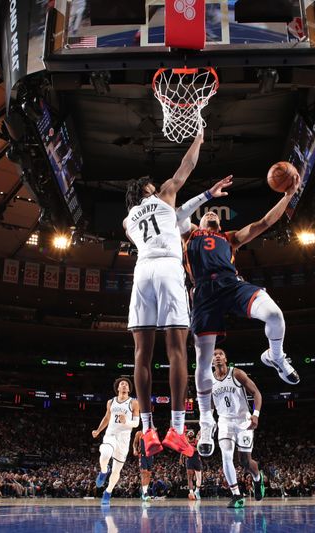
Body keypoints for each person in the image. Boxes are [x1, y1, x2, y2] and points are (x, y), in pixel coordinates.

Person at [184, 170, 302, 457]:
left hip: (232, 286)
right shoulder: (188, 234)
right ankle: (205, 420)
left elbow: (263, 222)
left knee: (274, 315)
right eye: (207, 214)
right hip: (203, 293)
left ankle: (275, 356)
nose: (212, 215)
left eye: (216, 215)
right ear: (199, 221)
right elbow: (175, 214)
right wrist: (207, 194)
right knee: (202, 362)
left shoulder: (230, 238)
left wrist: (287, 196)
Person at [123, 133, 203, 458]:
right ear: (149, 189)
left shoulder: (127, 220)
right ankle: (178, 430)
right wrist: (199, 135)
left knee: (142, 354)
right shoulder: (167, 195)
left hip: (142, 272)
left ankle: (147, 430)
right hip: (169, 269)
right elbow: (187, 165)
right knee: (177, 351)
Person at [209, 348, 265, 508]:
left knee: (245, 462)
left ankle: (257, 479)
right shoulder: (209, 380)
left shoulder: (237, 374)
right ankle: (237, 495)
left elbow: (256, 393)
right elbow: (210, 406)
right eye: (214, 355)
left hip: (243, 420)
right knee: (226, 456)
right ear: (212, 361)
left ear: (225, 358)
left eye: (220, 354)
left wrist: (256, 414)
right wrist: (206, 426)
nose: (217, 356)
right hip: (225, 421)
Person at [92, 377, 140, 506]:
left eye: (126, 384)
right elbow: (107, 417)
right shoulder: (110, 402)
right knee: (106, 453)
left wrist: (127, 421)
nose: (124, 385)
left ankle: (108, 492)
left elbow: (136, 423)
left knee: (116, 471)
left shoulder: (134, 402)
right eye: (121, 384)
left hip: (124, 439)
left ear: (129, 389)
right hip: (111, 434)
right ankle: (103, 471)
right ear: (118, 388)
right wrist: (98, 430)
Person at [132, 429, 153, 502]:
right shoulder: (139, 433)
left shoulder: (152, 432)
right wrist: (134, 450)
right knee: (144, 472)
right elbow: (134, 443)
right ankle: (145, 493)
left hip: (150, 454)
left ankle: (145, 491)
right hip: (142, 455)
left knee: (148, 474)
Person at [182, 430, 202, 500]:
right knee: (190, 477)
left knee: (199, 479)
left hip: (197, 459)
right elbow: (183, 450)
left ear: (193, 434)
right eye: (189, 432)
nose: (190, 433)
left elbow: (198, 449)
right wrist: (181, 458)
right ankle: (191, 492)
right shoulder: (185, 441)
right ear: (187, 435)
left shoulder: (197, 440)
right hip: (189, 459)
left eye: (192, 432)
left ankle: (197, 491)